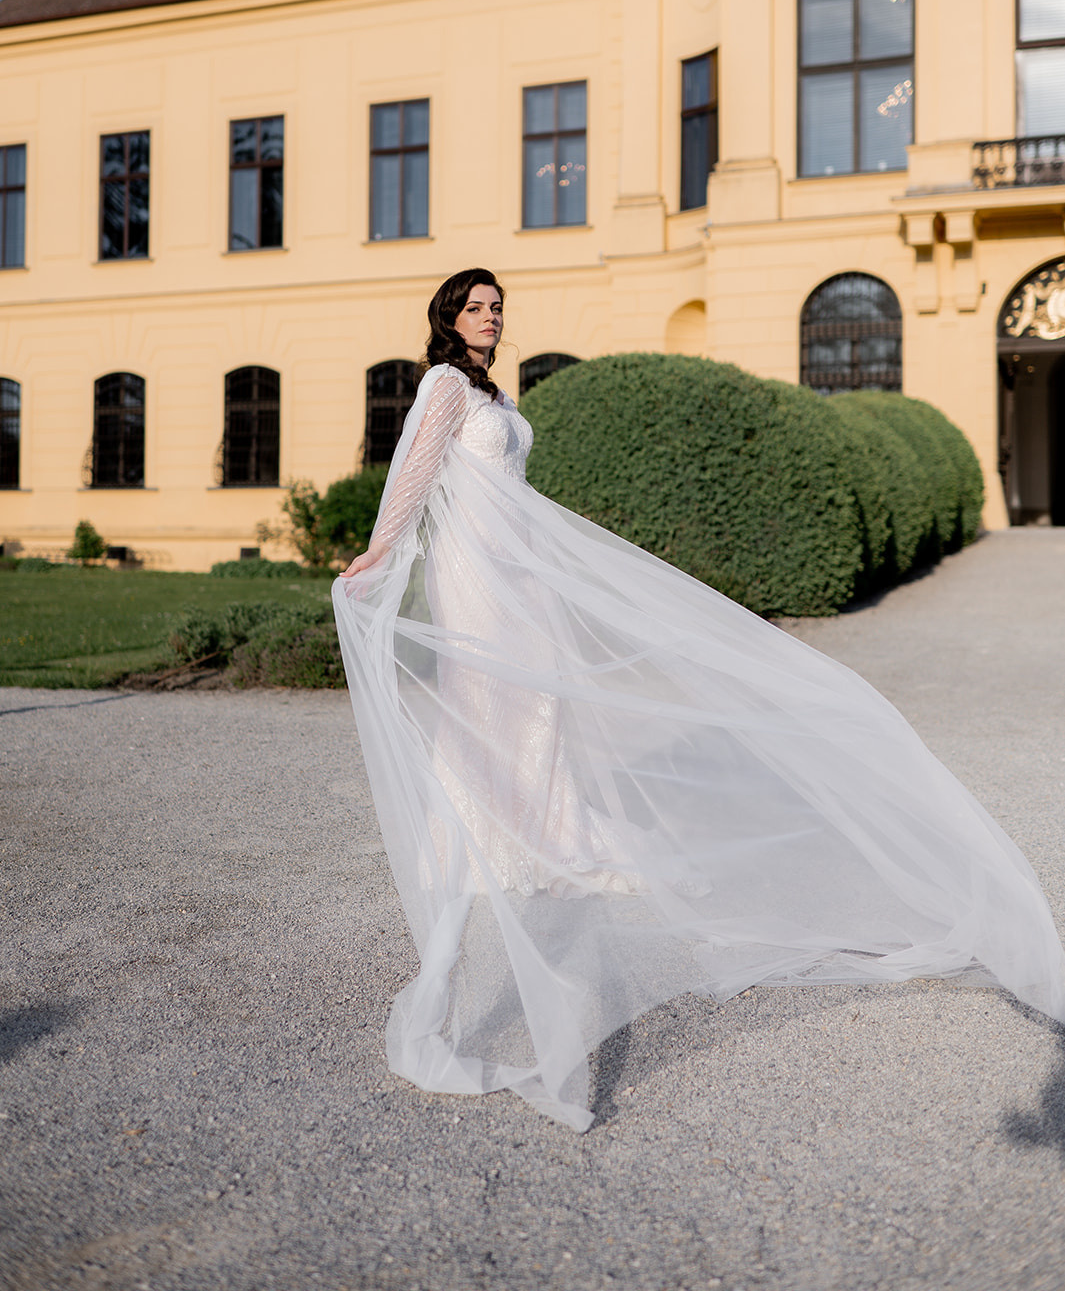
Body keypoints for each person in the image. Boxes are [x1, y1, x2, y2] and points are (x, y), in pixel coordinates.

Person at [332, 267, 1065, 1132]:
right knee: (480, 760)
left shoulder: (488, 389)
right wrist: (378, 557)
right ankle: (447, 972)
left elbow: (508, 499)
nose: (491, 319)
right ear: (449, 317)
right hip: (479, 598)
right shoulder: (446, 386)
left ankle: (506, 888)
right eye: (476, 308)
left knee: (526, 749)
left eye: (497, 308)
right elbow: (414, 479)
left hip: (519, 595)